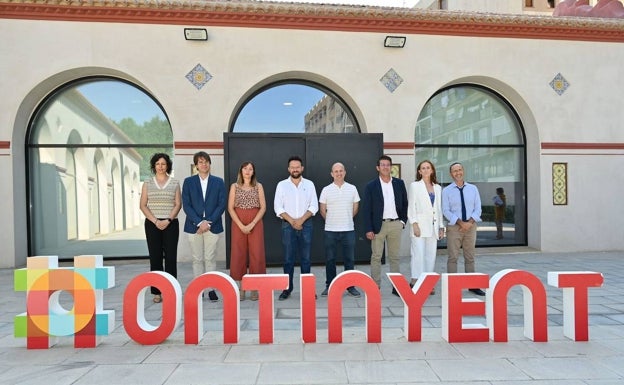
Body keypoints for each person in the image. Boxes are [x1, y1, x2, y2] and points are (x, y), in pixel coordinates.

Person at [182, 151, 226, 302]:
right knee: (197, 259)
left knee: (210, 258)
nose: (204, 164)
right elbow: (186, 205)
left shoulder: (219, 182)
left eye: (206, 161)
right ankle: (198, 288)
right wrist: (200, 223)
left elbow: (222, 204)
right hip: (194, 226)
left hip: (213, 226)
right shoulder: (188, 182)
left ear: (209, 164)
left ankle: (211, 289)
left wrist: (208, 222)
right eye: (200, 162)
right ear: (196, 165)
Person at [362, 155, 408, 296]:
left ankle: (396, 287)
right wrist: (369, 228)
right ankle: (375, 286)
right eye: (382, 165)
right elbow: (366, 208)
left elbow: (405, 203)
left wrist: (402, 222)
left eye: (388, 165)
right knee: (376, 256)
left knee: (394, 257)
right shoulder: (371, 186)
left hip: (395, 224)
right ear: (378, 168)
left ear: (391, 167)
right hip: (378, 226)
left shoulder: (399, 183)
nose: (385, 167)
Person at [274, 155, 318, 301]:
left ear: (302, 168)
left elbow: (314, 206)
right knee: (288, 259)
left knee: (306, 259)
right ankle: (287, 289)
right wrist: (293, 221)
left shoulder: (310, 184)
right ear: (288, 169)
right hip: (288, 226)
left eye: (297, 167)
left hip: (306, 225)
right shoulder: (281, 185)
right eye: (292, 167)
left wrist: (301, 220)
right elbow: (278, 207)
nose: (295, 169)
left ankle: (307, 290)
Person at [139, 153, 182, 304]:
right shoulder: (147, 183)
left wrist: (168, 219)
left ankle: (171, 291)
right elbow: (143, 205)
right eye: (158, 164)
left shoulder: (175, 182)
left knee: (170, 258)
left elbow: (178, 204)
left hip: (171, 224)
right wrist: (156, 221)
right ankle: (157, 292)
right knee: (155, 258)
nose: (161, 166)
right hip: (152, 224)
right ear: (153, 166)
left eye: (163, 164)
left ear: (168, 165)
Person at [441, 162, 485, 296]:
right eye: (454, 171)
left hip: (471, 227)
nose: (457, 173)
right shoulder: (446, 190)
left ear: (463, 171)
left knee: (470, 256)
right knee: (453, 257)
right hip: (454, 227)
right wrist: (461, 223)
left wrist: (469, 223)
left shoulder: (473, 189)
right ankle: (452, 286)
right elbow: (445, 210)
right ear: (451, 174)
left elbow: (478, 208)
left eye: (459, 170)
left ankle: (472, 285)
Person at [319, 162, 361, 298]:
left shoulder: (352, 188)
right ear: (332, 174)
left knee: (349, 259)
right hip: (330, 230)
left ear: (345, 172)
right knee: (330, 259)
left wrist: (345, 219)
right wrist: (332, 220)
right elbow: (322, 210)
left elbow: (355, 208)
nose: (338, 173)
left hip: (348, 229)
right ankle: (330, 285)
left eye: (341, 171)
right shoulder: (326, 190)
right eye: (336, 171)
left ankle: (350, 286)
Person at [227, 161, 266, 301]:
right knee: (238, 254)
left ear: (253, 171)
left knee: (256, 254)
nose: (248, 171)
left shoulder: (258, 186)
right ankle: (241, 287)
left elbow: (263, 207)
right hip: (238, 221)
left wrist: (252, 224)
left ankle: (255, 287)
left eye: (250, 169)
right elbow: (230, 207)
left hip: (255, 221)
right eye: (245, 168)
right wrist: (240, 225)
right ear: (241, 171)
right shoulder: (234, 186)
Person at [407, 160, 444, 295]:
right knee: (418, 255)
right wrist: (414, 224)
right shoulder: (415, 186)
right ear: (419, 171)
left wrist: (441, 227)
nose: (426, 170)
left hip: (433, 227)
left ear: (432, 170)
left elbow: (438, 209)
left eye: (428, 167)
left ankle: (428, 282)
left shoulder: (438, 188)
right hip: (419, 227)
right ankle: (416, 280)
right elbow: (411, 207)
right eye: (423, 168)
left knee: (430, 255)